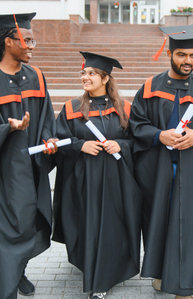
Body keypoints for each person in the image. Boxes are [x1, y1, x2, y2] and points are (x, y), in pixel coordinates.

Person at [129, 25, 193, 299]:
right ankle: (162, 272)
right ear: (170, 53)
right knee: (158, 223)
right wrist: (159, 135)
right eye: (183, 55)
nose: (189, 61)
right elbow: (136, 124)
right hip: (158, 171)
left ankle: (185, 288)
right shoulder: (150, 88)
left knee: (190, 226)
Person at [0, 13, 58, 299]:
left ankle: (17, 271)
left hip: (31, 167)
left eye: (33, 40)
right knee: (2, 229)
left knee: (27, 224)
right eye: (27, 40)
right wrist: (9, 127)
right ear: (8, 42)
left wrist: (49, 140)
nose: (32, 46)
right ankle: (0, 289)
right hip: (2, 170)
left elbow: (46, 120)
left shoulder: (36, 77)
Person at [52, 52, 142, 299]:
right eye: (83, 73)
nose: (85, 77)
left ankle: (101, 279)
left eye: (91, 73)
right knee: (87, 226)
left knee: (113, 227)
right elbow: (58, 140)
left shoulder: (124, 109)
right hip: (84, 182)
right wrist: (79, 145)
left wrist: (120, 146)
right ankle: (91, 267)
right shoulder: (72, 108)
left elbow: (138, 141)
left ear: (105, 78)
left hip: (117, 182)